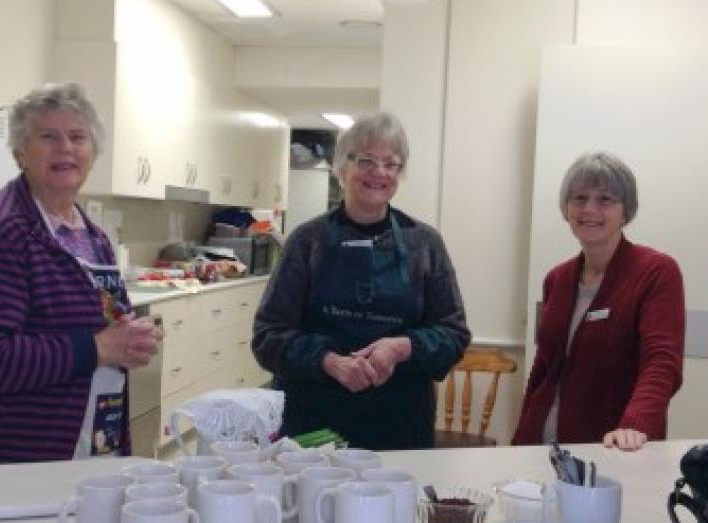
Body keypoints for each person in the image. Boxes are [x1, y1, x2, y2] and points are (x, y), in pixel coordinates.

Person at [0, 83, 162, 465]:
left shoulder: (92, 235)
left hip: (88, 439)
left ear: (93, 153)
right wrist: (100, 347)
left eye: (77, 137)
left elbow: (98, 323)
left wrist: (131, 339)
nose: (66, 148)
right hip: (11, 459)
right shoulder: (0, 232)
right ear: (21, 151)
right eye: (48, 136)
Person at [252, 112, 471, 451]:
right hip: (314, 429)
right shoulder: (306, 241)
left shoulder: (425, 245)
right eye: (367, 160)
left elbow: (454, 335)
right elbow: (268, 337)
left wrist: (401, 348)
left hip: (400, 427)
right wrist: (328, 361)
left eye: (391, 163)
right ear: (342, 167)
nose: (380, 173)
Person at [513, 152, 685, 452]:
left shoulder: (656, 271)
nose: (589, 209)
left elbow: (661, 362)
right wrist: (520, 442)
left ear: (625, 211)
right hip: (541, 450)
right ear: (566, 209)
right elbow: (543, 368)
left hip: (614, 449)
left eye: (605, 199)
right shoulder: (557, 279)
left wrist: (636, 423)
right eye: (579, 198)